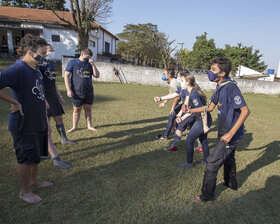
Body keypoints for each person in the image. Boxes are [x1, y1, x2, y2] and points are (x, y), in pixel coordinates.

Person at [186, 57, 250, 202]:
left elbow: (245, 110)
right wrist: (190, 110)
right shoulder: (219, 87)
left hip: (230, 132)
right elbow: (209, 107)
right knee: (229, 158)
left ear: (222, 73)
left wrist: (230, 133)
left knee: (211, 163)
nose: (210, 72)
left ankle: (207, 195)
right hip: (224, 130)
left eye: (213, 70)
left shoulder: (230, 87)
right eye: (210, 69)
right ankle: (231, 183)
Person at [0, 34, 52, 203]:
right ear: (30, 52)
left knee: (36, 156)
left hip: (38, 121)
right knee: (25, 158)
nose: (45, 58)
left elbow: (38, 92)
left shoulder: (35, 69)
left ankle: (33, 182)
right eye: (42, 54)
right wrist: (14, 101)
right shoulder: (18, 69)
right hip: (23, 123)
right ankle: (24, 192)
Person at [39, 44, 75, 145]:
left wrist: (60, 96)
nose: (53, 51)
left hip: (53, 95)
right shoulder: (40, 64)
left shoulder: (51, 64)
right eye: (51, 49)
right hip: (43, 95)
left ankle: (64, 139)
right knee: (46, 120)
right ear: (44, 51)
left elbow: (53, 82)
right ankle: (44, 143)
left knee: (59, 117)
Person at [175, 71, 212, 167]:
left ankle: (189, 163)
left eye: (182, 80)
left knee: (189, 141)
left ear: (187, 82)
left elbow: (203, 110)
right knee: (203, 141)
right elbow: (192, 111)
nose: (180, 82)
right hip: (202, 119)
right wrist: (182, 118)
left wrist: (205, 125)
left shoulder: (194, 95)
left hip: (202, 120)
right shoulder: (191, 92)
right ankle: (206, 160)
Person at [154, 70, 196, 152]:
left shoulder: (191, 90)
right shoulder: (183, 88)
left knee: (181, 128)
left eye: (180, 78)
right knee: (186, 128)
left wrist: (181, 114)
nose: (178, 79)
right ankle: (177, 146)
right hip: (190, 111)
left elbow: (190, 104)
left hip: (194, 112)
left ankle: (176, 147)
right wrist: (161, 98)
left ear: (186, 79)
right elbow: (174, 95)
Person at [64, 48, 100, 133]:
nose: (88, 59)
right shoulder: (72, 62)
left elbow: (97, 75)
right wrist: (68, 90)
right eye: (87, 57)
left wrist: (93, 65)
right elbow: (66, 76)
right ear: (82, 54)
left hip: (88, 91)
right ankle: (74, 127)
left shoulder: (89, 64)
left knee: (88, 109)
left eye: (90, 57)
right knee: (76, 110)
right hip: (77, 92)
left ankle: (89, 126)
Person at [155, 65, 181, 140]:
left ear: (169, 75)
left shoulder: (173, 83)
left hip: (183, 101)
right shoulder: (173, 81)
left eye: (164, 74)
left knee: (171, 116)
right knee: (175, 117)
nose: (163, 75)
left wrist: (172, 108)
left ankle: (166, 135)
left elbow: (176, 97)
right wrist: (164, 102)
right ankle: (174, 129)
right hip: (182, 100)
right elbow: (171, 93)